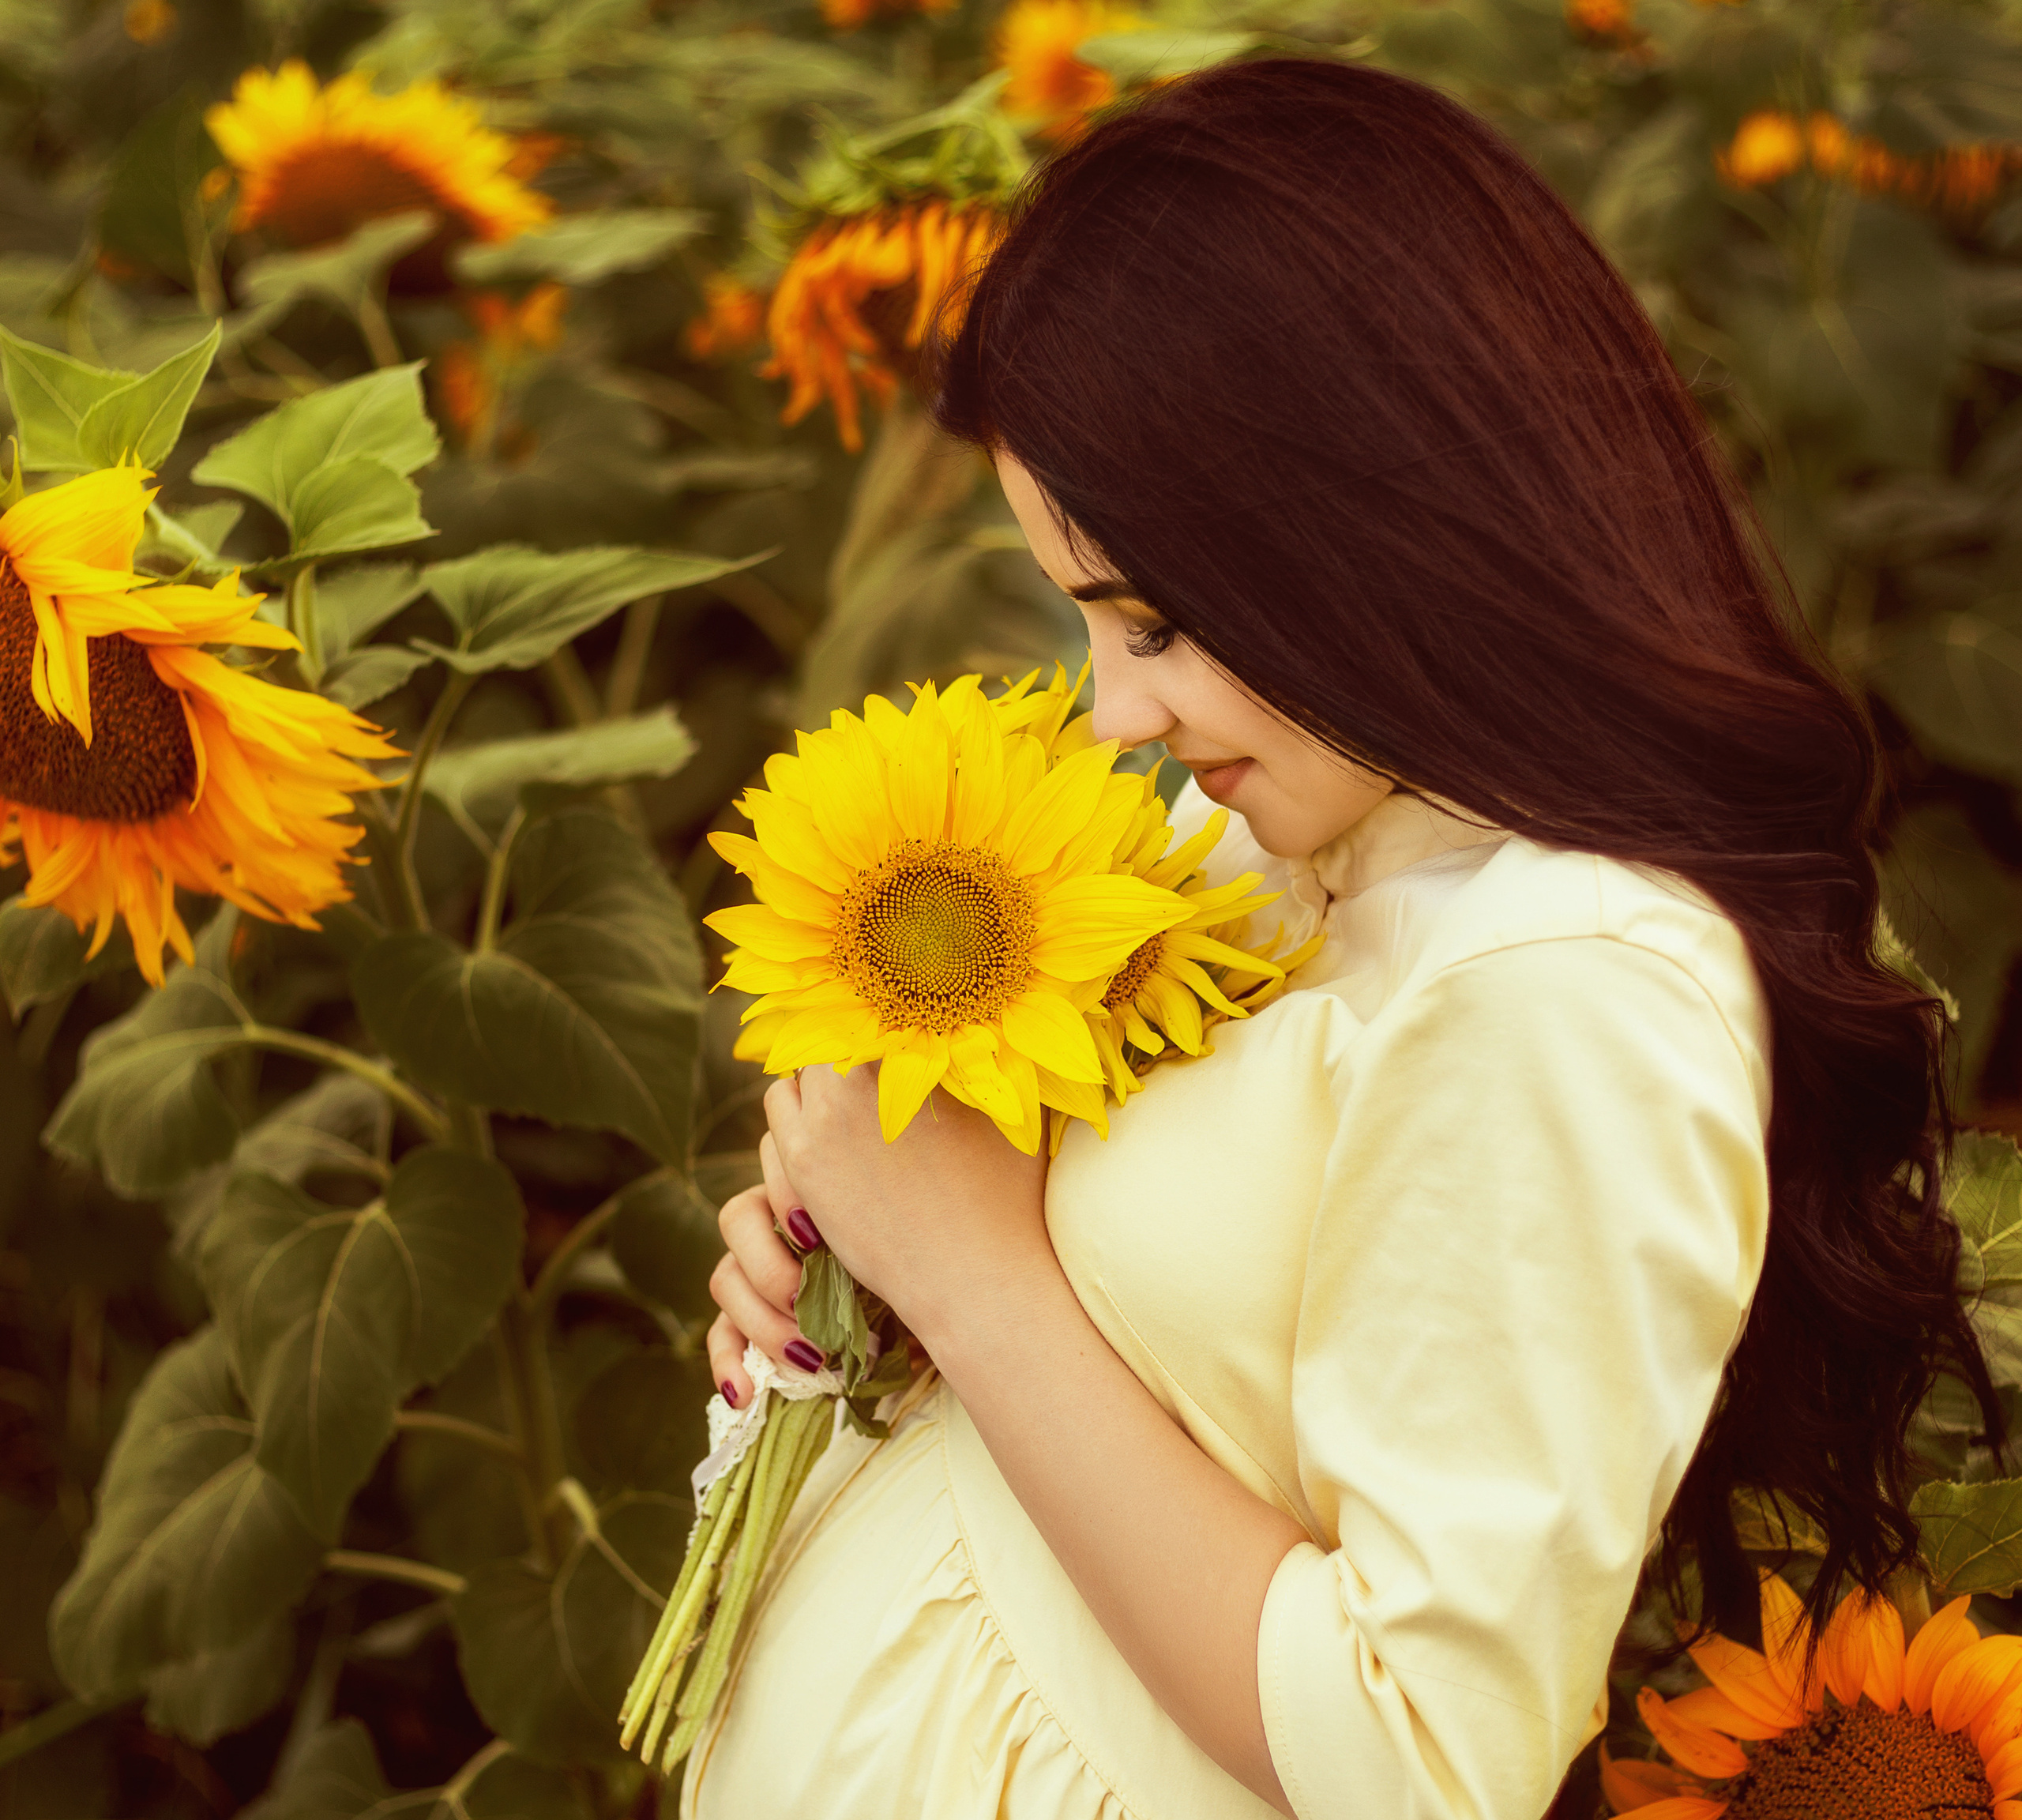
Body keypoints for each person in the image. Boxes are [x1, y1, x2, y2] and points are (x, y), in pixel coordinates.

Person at [689, 55, 1998, 1820]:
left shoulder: (1565, 986)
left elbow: (1413, 1757)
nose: (1114, 714)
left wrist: (969, 1283)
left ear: (1364, 525)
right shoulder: (1273, 840)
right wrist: (854, 1291)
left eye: (1146, 621)